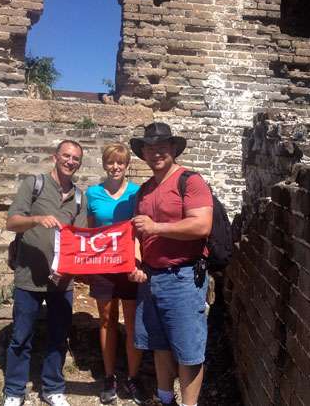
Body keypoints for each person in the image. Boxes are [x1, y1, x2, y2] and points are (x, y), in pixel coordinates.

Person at [127, 123, 213, 406]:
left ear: (174, 149)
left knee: (189, 352)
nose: (156, 153)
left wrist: (157, 227)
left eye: (162, 147)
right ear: (144, 153)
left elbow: (201, 225)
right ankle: (165, 400)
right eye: (150, 148)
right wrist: (138, 262)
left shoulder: (190, 181)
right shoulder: (144, 191)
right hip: (151, 277)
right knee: (160, 345)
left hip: (183, 276)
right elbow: (139, 233)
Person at [3, 140, 87, 406]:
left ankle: (52, 388)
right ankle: (14, 392)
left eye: (75, 158)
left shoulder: (79, 197)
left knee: (58, 337)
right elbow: (12, 222)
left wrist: (71, 271)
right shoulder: (34, 184)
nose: (70, 161)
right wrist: (37, 220)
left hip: (62, 282)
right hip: (29, 277)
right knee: (21, 337)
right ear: (55, 157)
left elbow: (80, 239)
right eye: (66, 156)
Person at [85, 143, 147, 405]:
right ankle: (109, 376)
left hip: (130, 265)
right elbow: (89, 232)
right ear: (104, 164)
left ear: (128, 166)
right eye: (111, 162)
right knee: (107, 319)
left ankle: (132, 378)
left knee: (133, 324)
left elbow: (142, 231)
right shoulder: (92, 194)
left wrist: (141, 263)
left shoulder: (137, 193)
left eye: (120, 162)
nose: (115, 166)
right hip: (103, 267)